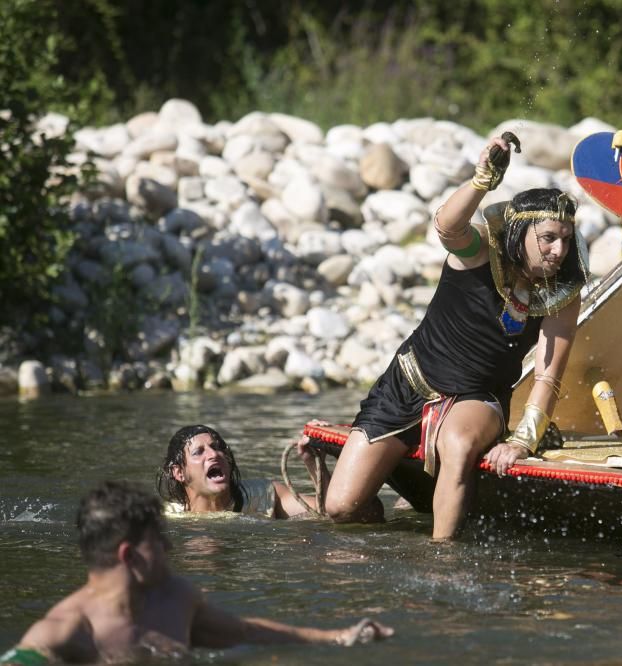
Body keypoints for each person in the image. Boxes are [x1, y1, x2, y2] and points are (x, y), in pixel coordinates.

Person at [324, 134, 589, 539]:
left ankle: (441, 561)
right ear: (520, 234)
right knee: (341, 508)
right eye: (548, 237)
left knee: (460, 445)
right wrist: (482, 181)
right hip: (408, 383)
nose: (559, 249)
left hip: (477, 397)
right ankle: (387, 510)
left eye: (566, 239)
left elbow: (548, 376)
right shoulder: (481, 250)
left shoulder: (562, 293)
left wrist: (522, 441)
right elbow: (447, 226)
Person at [2, 481, 391, 665]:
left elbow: (245, 631)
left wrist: (339, 636)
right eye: (158, 541)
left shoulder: (176, 597)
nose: (169, 549)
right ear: (130, 556)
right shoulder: (63, 632)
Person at [156, 425, 329, 519]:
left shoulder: (265, 495)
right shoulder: (168, 518)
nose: (214, 454)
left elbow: (329, 512)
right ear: (179, 473)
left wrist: (314, 463)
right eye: (198, 452)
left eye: (216, 447)